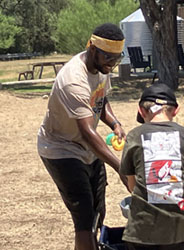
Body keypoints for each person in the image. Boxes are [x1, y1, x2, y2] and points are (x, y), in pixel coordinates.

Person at [37, 23, 128, 250]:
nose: (112, 64)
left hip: (88, 148)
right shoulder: (73, 80)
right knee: (84, 217)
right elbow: (87, 132)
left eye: (116, 59)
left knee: (99, 211)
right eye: (108, 58)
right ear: (92, 49)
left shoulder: (101, 69)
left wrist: (114, 123)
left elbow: (100, 100)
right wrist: (121, 167)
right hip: (61, 148)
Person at [119, 83, 184, 250]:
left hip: (141, 229)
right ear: (176, 110)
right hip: (179, 229)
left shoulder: (134, 136)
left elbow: (132, 187)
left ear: (141, 111)